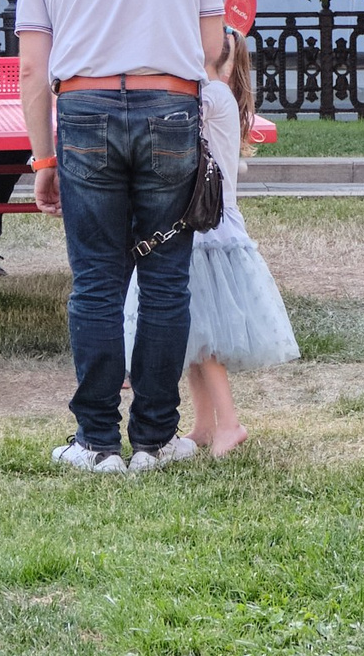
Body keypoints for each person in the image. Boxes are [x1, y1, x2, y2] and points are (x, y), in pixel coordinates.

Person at [17, 0, 226, 472]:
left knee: (97, 281)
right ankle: (157, 439)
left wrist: (44, 159)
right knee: (165, 280)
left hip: (84, 110)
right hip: (169, 106)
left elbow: (33, 69)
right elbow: (212, 49)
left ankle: (96, 442)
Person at [123, 30, 298, 455]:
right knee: (196, 334)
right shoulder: (218, 93)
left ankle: (230, 423)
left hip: (204, 228)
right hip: (207, 226)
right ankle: (204, 425)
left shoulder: (209, 96)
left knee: (205, 333)